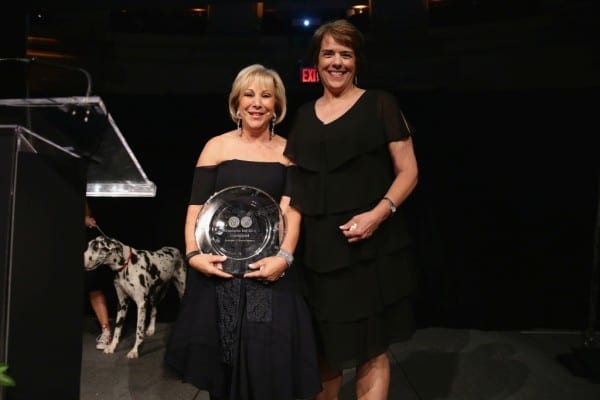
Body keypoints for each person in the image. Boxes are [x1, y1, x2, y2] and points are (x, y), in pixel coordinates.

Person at [165, 64, 321, 400]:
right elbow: (196, 208)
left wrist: (285, 257)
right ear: (237, 102)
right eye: (249, 94)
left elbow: (292, 212)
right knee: (223, 369)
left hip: (270, 273)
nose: (257, 102)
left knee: (270, 366)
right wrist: (193, 255)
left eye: (266, 95)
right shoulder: (216, 147)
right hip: (219, 272)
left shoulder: (288, 151)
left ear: (277, 105)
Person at [283, 19, 419, 400]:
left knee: (371, 349)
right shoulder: (304, 115)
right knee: (324, 350)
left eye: (346, 54)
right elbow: (293, 184)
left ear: (357, 61)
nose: (337, 62)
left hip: (370, 249)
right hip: (318, 254)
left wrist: (378, 215)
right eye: (329, 53)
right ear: (317, 61)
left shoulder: (380, 103)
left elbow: (409, 171)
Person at [84, 201, 113, 350]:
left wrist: (85, 218)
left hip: (86, 247)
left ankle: (106, 331)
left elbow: (87, 211)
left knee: (94, 289)